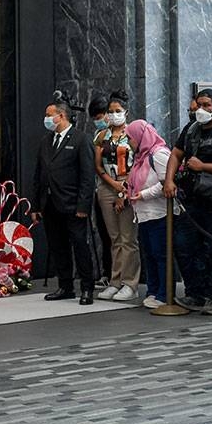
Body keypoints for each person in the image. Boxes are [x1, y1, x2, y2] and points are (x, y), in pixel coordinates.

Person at [164, 89, 212, 316]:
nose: (201, 109)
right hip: (192, 199)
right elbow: (176, 154)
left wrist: (203, 167)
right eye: (198, 104)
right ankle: (195, 292)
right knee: (185, 246)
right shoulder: (190, 130)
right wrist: (169, 180)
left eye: (206, 104)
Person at [32, 100, 97, 304]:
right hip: (50, 204)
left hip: (72, 205)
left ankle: (87, 288)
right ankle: (65, 286)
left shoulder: (81, 139)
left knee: (79, 246)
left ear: (61, 116)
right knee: (58, 246)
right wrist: (35, 205)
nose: (46, 119)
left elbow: (88, 176)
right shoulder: (46, 141)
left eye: (49, 114)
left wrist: (83, 206)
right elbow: (38, 174)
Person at [93, 91, 140, 302]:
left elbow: (138, 163)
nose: (113, 115)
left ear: (126, 112)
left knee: (128, 238)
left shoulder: (133, 135)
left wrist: (123, 189)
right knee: (114, 238)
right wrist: (111, 184)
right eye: (110, 112)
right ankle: (115, 281)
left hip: (128, 186)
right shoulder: (101, 136)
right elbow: (98, 165)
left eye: (117, 111)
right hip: (106, 187)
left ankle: (130, 283)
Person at [125, 120, 171, 309]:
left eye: (130, 138)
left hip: (159, 213)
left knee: (161, 255)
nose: (129, 142)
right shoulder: (140, 157)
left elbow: (167, 182)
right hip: (144, 214)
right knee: (150, 254)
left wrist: (143, 194)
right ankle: (153, 290)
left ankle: (163, 293)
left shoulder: (159, 155)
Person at [87, 94, 112, 287]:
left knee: (119, 238)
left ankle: (119, 277)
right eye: (95, 119)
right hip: (100, 189)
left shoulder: (120, 136)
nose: (98, 121)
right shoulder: (98, 136)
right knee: (104, 234)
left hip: (115, 188)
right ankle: (107, 273)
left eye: (100, 116)